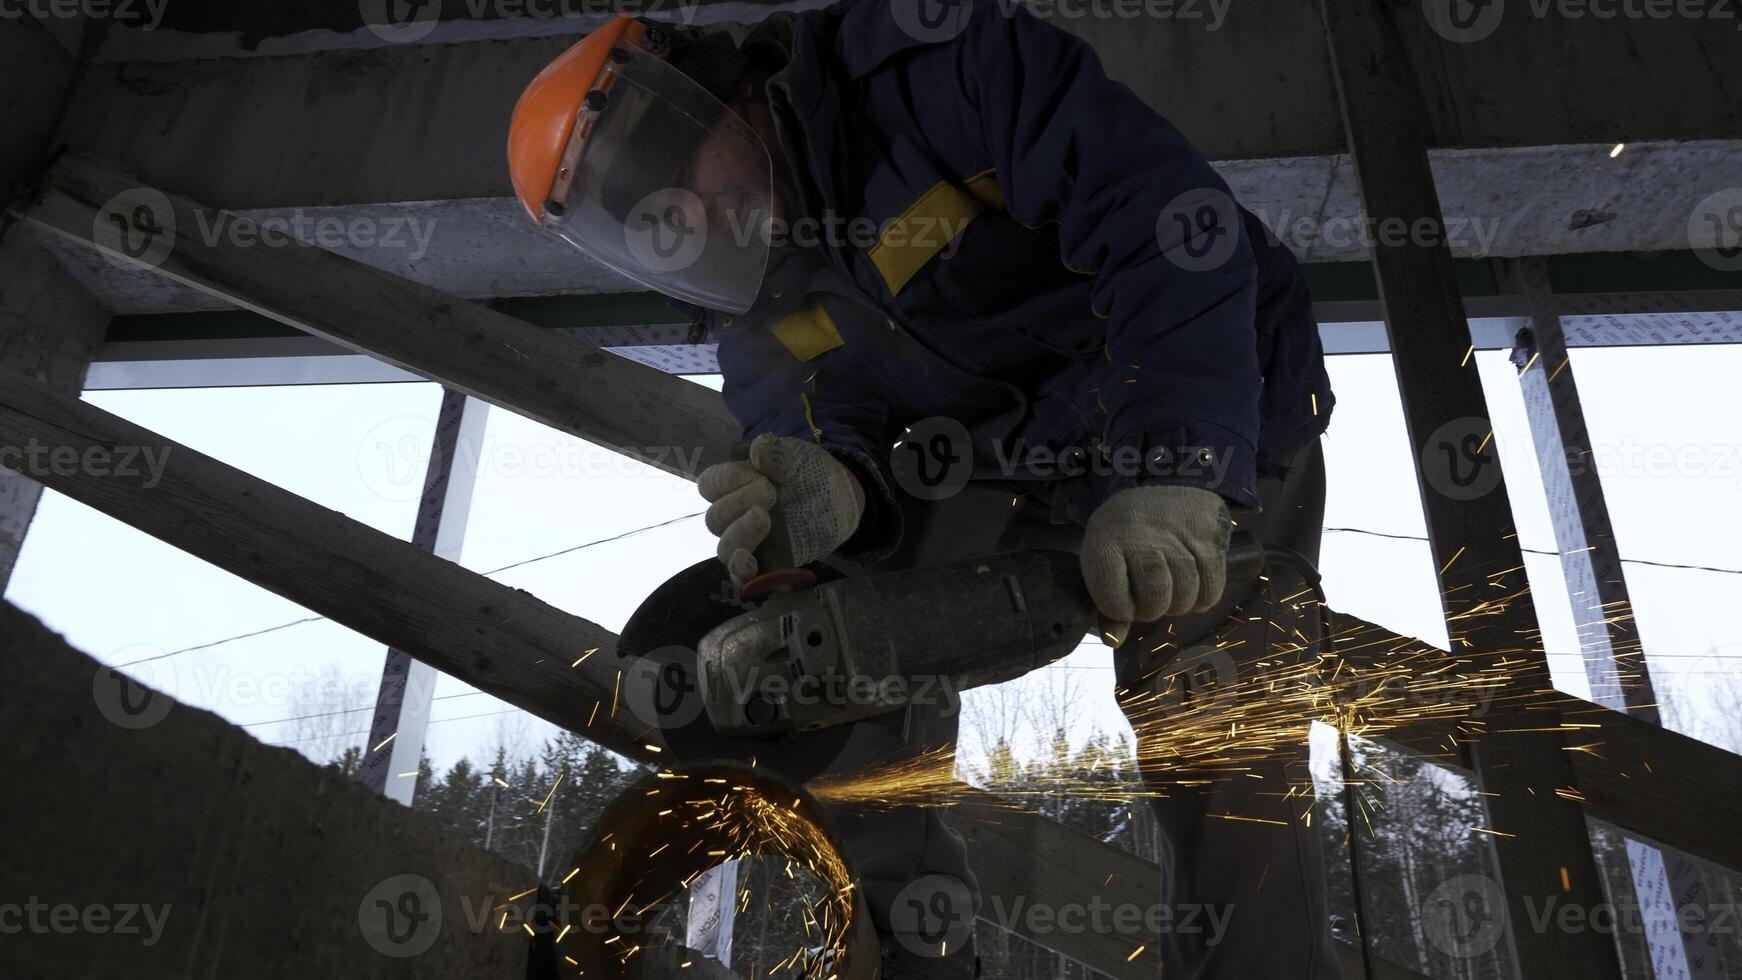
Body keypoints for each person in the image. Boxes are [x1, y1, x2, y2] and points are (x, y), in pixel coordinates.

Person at [507, 2, 1337, 976]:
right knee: (821, 656)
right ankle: (912, 956)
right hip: (1003, 462)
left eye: (662, 173)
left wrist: (1174, 469)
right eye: (641, 217)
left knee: (1218, 731)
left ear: (717, 96)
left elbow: (1166, 227)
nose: (676, 219)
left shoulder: (930, 68)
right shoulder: (757, 296)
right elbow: (805, 427)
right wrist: (830, 498)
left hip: (1214, 400)